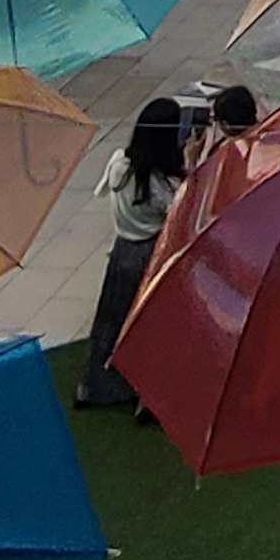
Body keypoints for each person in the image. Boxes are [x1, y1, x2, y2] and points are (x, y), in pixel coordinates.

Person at [74, 95, 195, 407]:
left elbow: (103, 190)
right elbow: (180, 212)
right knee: (152, 327)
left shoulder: (120, 164)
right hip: (151, 256)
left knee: (112, 322)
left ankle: (99, 384)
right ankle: (146, 393)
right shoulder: (156, 184)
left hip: (122, 253)